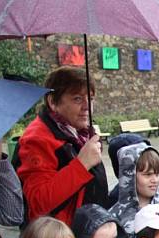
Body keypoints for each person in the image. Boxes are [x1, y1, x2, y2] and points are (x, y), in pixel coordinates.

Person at [15, 66, 108, 226]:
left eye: (90, 99)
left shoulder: (80, 133)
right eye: (77, 99)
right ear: (53, 102)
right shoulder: (36, 140)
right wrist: (81, 164)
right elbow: (38, 204)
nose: (87, 107)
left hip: (88, 235)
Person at [109, 142, 159, 238]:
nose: (155, 180)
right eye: (148, 174)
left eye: (157, 174)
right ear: (130, 175)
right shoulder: (115, 217)